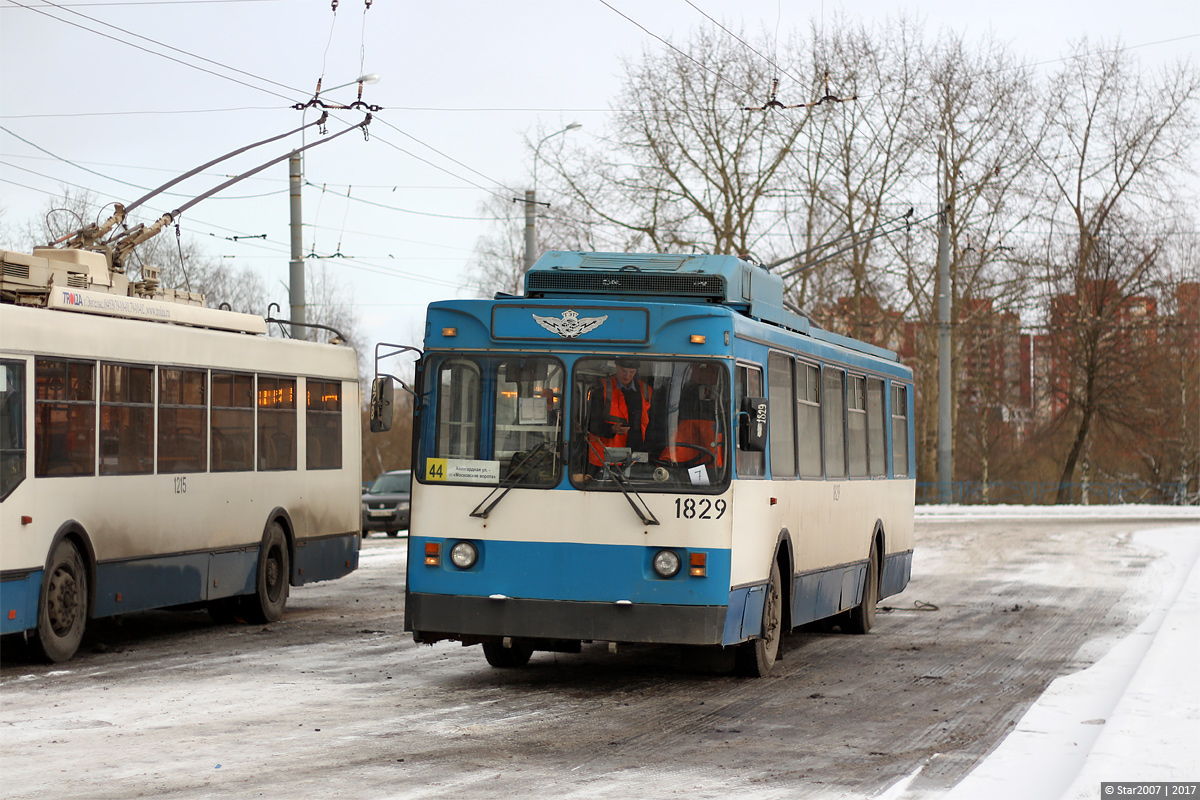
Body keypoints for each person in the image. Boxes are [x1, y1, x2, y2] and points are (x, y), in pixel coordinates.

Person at [586, 358, 652, 468]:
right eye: (624, 371)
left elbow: (652, 424)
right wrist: (611, 429)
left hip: (638, 457)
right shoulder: (601, 388)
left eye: (631, 372)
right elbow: (589, 423)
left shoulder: (647, 390)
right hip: (606, 458)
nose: (627, 375)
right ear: (616, 366)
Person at [660, 362, 725, 468]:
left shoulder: (723, 398)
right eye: (698, 369)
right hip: (684, 456)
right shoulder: (678, 393)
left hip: (714, 463)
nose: (703, 374)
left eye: (708, 370)